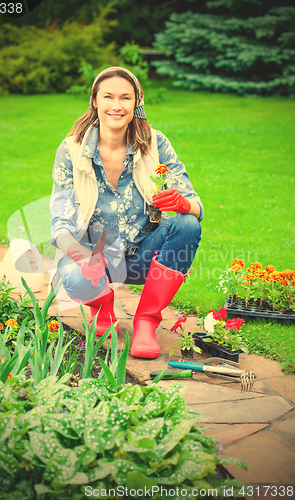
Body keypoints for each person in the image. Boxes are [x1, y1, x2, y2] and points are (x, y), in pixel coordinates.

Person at [50, 66, 203, 359]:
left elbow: (195, 206)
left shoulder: (155, 143)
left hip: (143, 255)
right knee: (71, 272)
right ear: (95, 101)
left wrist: (184, 205)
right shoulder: (71, 150)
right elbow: (60, 225)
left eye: (125, 98)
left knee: (186, 225)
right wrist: (83, 258)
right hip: (95, 260)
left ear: (137, 102)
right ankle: (103, 307)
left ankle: (146, 321)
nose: (117, 106)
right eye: (108, 97)